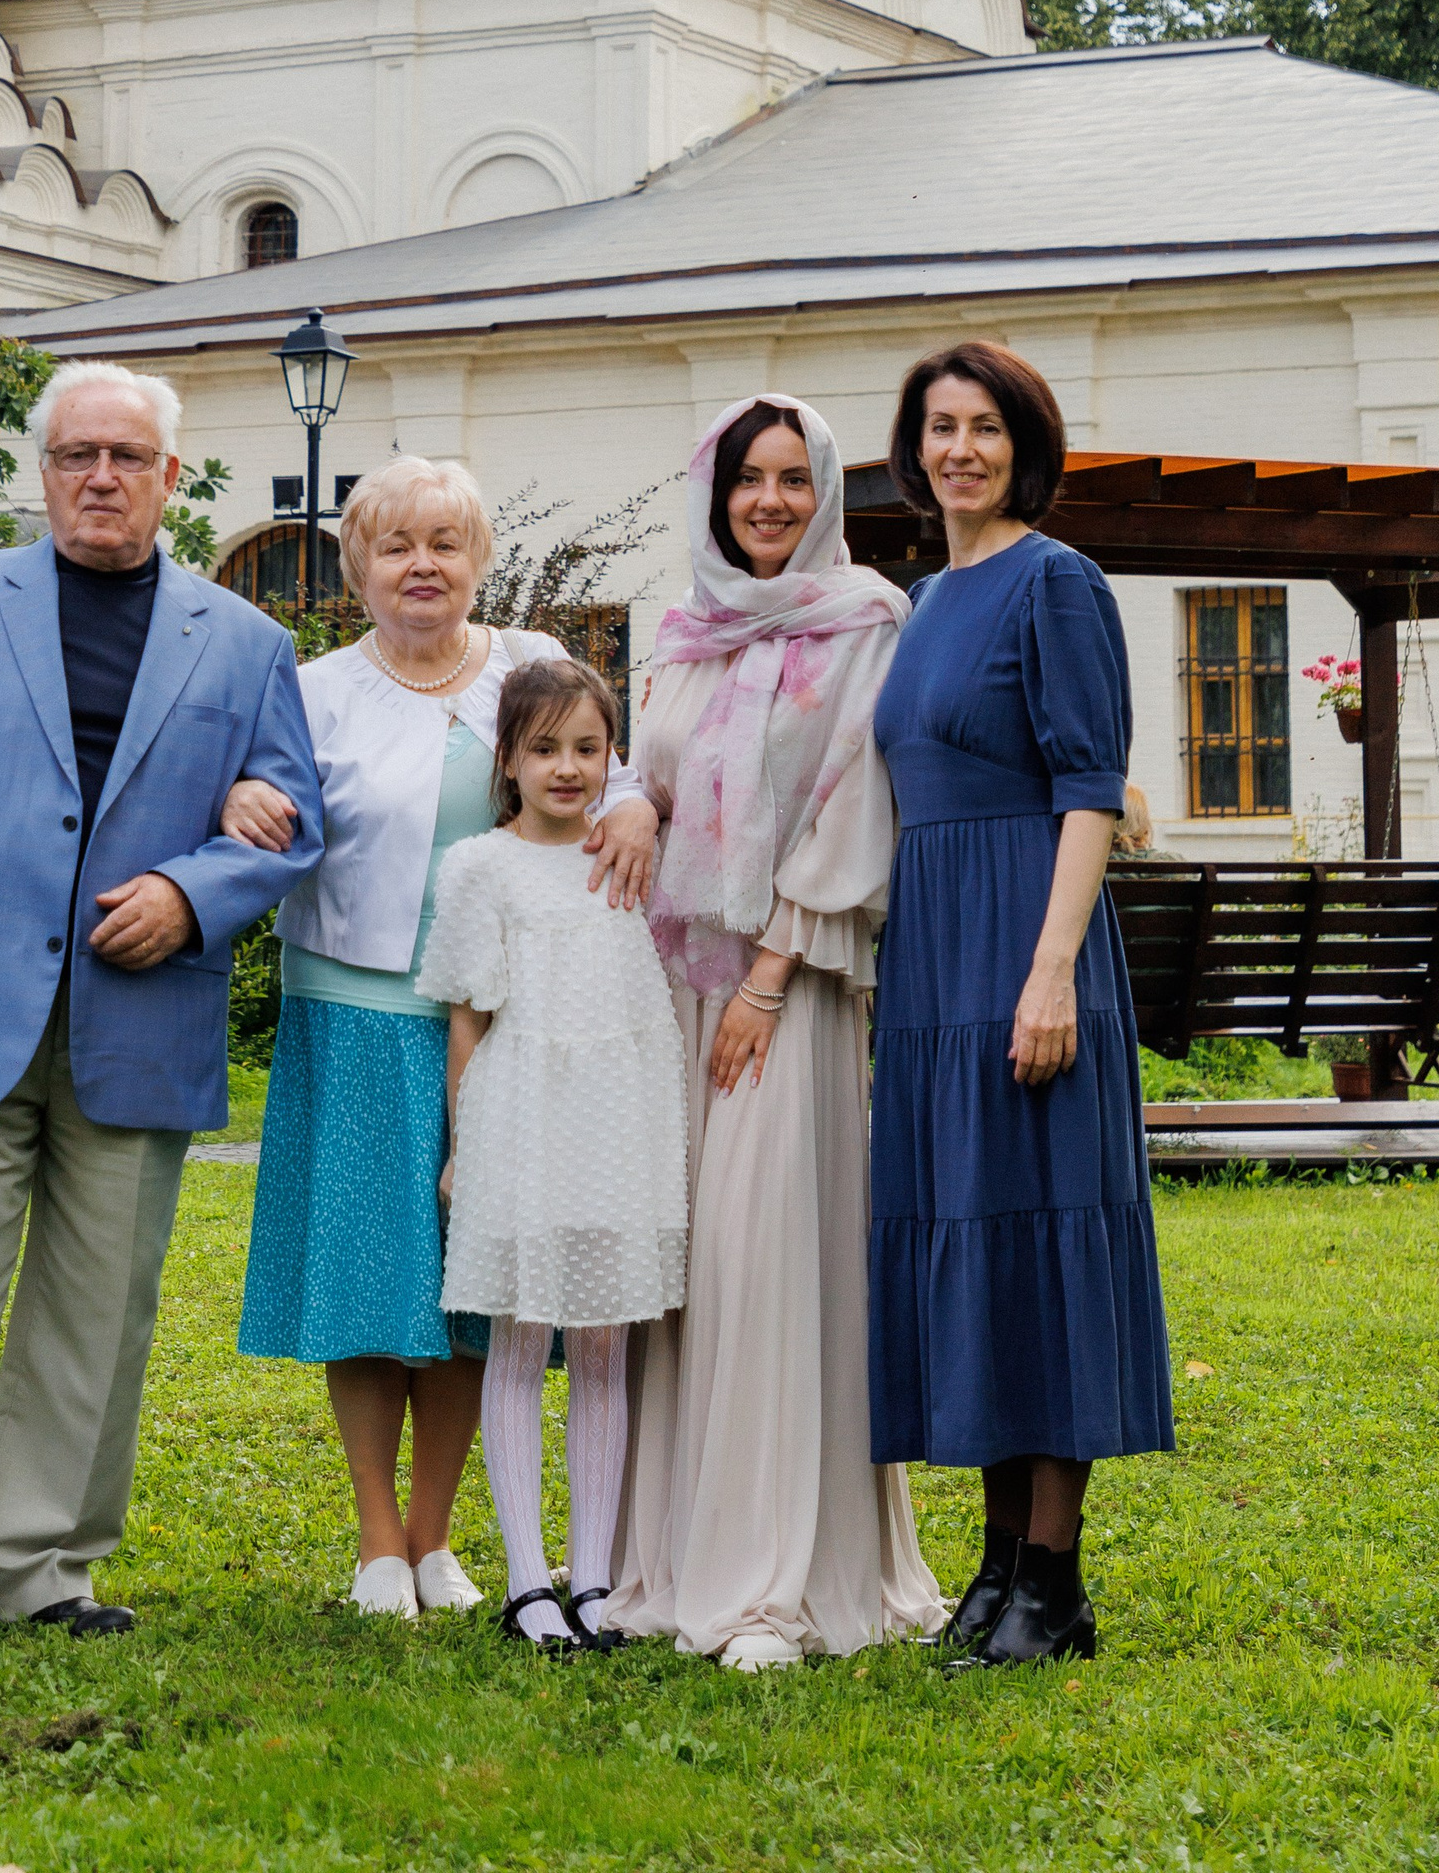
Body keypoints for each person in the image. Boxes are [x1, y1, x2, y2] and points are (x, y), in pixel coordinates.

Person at [0, 359, 321, 1661]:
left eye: (128, 455)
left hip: (141, 1016)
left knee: (98, 1319)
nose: (102, 476)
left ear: (170, 474)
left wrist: (192, 891)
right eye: (77, 453)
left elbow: (292, 818)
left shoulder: (248, 642)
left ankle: (47, 1566)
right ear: (42, 470)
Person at [231, 456, 659, 1620]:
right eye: (396, 544)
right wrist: (234, 798)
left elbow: (615, 769)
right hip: (355, 1008)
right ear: (357, 564)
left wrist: (632, 804)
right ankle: (379, 1539)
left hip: (507, 1014)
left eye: (445, 542)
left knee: (479, 1288)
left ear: (479, 559)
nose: (422, 564)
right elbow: (246, 793)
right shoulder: (311, 688)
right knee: (371, 1281)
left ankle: (436, 1537)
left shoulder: (528, 664)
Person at [604, 394, 945, 1671]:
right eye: (747, 477)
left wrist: (765, 974)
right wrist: (629, 796)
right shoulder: (683, 630)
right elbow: (654, 765)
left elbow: (856, 805)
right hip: (670, 988)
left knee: (764, 1262)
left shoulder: (865, 622)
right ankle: (678, 1554)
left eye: (794, 478)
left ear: (827, 492)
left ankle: (771, 1583)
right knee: (685, 1270)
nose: (769, 500)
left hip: (783, 989)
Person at [867, 339, 1176, 1671]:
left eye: (985, 426)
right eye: (940, 426)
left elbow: (1091, 786)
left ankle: (1054, 1577)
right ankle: (995, 1567)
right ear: (914, 447)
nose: (961, 449)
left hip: (1027, 941)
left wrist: (1050, 968)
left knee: (1045, 1238)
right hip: (935, 957)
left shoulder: (1058, 581)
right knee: (976, 1240)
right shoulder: (925, 596)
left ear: (1025, 444)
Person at [420, 659, 690, 1655]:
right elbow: (467, 1020)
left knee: (605, 1348)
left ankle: (595, 1575)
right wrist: (462, 1147)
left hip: (617, 1123)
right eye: (544, 748)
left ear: (613, 755)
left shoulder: (628, 860)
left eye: (587, 747)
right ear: (507, 758)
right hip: (522, 1121)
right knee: (522, 1339)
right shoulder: (480, 867)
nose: (567, 767)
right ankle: (527, 1580)